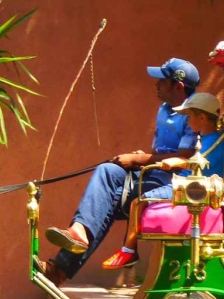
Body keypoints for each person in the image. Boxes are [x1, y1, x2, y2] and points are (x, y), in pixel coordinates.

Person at [40, 58, 204, 283]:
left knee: (106, 202)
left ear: (178, 87)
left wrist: (139, 159)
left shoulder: (193, 112)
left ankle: (59, 271)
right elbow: (162, 150)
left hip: (176, 183)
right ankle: (78, 231)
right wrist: (142, 159)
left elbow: (184, 157)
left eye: (162, 81)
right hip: (154, 174)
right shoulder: (164, 110)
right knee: (107, 170)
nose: (156, 85)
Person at [99, 92, 224, 270]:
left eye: (189, 116)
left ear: (203, 117)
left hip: (193, 189)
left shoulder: (214, 140)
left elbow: (202, 161)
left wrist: (178, 162)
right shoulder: (208, 138)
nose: (188, 122)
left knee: (138, 202)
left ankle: (129, 250)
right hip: (186, 184)